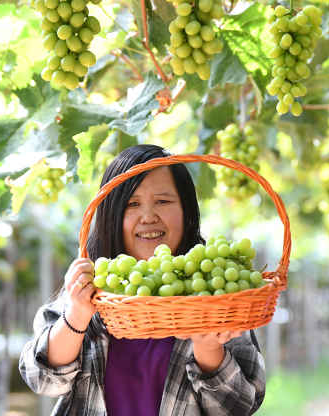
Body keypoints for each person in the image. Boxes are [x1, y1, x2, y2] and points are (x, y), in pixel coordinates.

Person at [19, 145, 265, 416]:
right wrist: (76, 316)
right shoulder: (89, 290)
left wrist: (208, 348)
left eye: (163, 201)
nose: (148, 217)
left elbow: (238, 408)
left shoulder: (217, 298)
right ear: (111, 215)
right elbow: (42, 381)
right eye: (132, 204)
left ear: (187, 211)